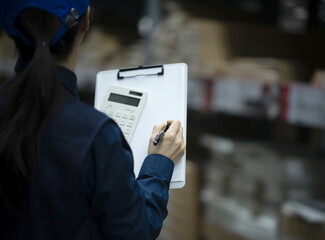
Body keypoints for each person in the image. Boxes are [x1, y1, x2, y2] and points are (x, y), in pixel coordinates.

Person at [0, 0, 186, 239]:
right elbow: (135, 232)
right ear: (86, 20)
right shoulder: (95, 134)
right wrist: (158, 164)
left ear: (11, 31)